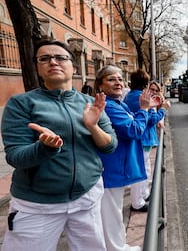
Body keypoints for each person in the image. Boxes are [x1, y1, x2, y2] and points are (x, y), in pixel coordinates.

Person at [1, 39, 118, 251]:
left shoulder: (90, 103)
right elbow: (15, 156)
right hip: (37, 205)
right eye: (44, 59)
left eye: (60, 57)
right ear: (38, 68)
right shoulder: (21, 104)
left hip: (87, 198)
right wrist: (45, 147)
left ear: (73, 66)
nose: (53, 62)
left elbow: (110, 146)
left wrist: (92, 126)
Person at [95, 65, 155, 251]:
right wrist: (144, 109)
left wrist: (146, 110)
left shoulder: (118, 104)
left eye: (120, 79)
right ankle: (116, 248)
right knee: (111, 213)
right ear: (100, 85)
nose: (118, 82)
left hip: (117, 166)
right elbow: (134, 130)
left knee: (114, 211)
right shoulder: (110, 107)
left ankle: (119, 245)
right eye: (111, 79)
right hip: (112, 168)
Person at [124, 72, 170, 211]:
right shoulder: (142, 98)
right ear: (146, 84)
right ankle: (137, 202)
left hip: (139, 138)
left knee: (145, 168)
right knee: (141, 170)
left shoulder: (129, 96)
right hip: (142, 139)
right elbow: (152, 120)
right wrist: (162, 110)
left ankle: (144, 194)